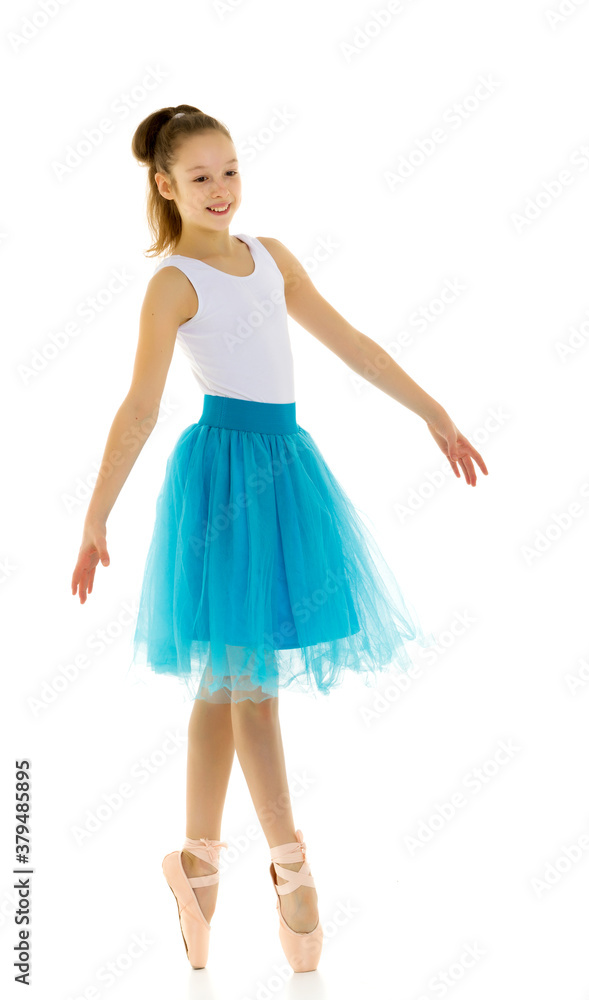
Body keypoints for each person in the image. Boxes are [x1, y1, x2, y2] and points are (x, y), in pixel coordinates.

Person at [70, 104, 488, 974]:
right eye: (199, 177)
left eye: (229, 170)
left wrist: (434, 413)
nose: (220, 190)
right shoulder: (173, 282)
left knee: (226, 685)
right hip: (221, 482)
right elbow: (141, 406)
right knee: (247, 685)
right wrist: (95, 513)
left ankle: (194, 865)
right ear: (164, 185)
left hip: (284, 467)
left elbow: (352, 345)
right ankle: (290, 867)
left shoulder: (271, 257)